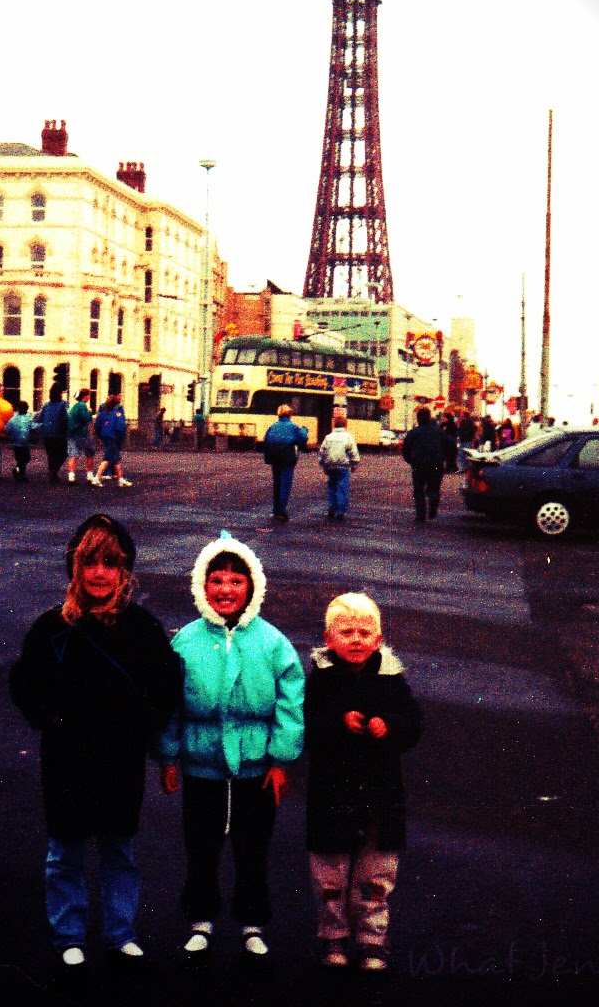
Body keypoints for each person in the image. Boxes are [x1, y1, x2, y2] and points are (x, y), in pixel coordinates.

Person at [9, 515, 182, 994]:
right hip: (67, 759)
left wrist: (141, 723)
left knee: (118, 848)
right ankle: (69, 935)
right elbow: (24, 682)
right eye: (90, 562)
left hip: (120, 759)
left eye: (111, 562)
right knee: (65, 849)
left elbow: (168, 681)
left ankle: (120, 934)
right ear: (75, 567)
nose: (100, 573)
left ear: (125, 571)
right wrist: (51, 717)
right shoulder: (53, 628)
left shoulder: (141, 627)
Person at [159, 532, 305, 964]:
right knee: (201, 847)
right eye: (217, 580)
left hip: (255, 770)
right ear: (201, 586)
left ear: (253, 586)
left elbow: (290, 702)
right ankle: (200, 920)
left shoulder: (272, 642)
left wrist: (280, 759)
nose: (226, 589)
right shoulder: (185, 641)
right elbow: (169, 704)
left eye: (236, 580)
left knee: (253, 849)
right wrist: (168, 755)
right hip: (201, 765)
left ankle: (252, 924)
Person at [304, 593, 422, 974]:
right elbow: (306, 726)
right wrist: (338, 723)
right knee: (331, 872)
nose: (356, 639)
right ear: (329, 639)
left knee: (376, 872)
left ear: (378, 638)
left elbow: (413, 723)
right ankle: (333, 936)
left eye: (364, 632)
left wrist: (391, 726)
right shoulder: (320, 680)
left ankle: (373, 939)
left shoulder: (392, 680)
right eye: (347, 632)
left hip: (380, 795)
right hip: (332, 794)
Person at [262, 404, 309, 522]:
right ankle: (282, 510)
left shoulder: (272, 427)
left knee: (277, 483)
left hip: (274, 458)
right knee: (285, 484)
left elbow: (266, 440)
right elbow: (302, 439)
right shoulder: (293, 427)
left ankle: (275, 509)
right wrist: (304, 429)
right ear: (290, 414)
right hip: (287, 458)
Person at [401, 406, 447, 523]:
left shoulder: (414, 432)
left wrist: (411, 460)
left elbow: (405, 449)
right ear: (429, 417)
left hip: (419, 464)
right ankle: (433, 502)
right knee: (434, 487)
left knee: (418, 490)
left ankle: (420, 514)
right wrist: (446, 459)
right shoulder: (438, 431)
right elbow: (450, 444)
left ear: (418, 419)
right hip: (436, 464)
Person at [317, 413, 361, 521]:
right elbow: (353, 452)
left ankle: (331, 509)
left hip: (330, 466)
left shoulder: (328, 437)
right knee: (342, 488)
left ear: (334, 424)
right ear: (345, 425)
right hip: (343, 467)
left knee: (332, 488)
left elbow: (322, 452)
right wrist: (354, 464)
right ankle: (340, 512)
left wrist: (323, 465)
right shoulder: (348, 437)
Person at [93, 395, 132, 488]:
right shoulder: (118, 414)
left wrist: (100, 435)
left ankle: (120, 479)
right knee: (107, 459)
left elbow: (97, 425)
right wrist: (121, 439)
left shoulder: (103, 413)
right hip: (114, 438)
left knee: (116, 459)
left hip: (105, 436)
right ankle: (97, 477)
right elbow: (120, 428)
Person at [34, 384, 69, 484]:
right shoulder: (64, 404)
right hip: (59, 432)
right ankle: (54, 471)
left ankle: (52, 473)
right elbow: (67, 417)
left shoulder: (46, 405)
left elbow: (39, 418)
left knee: (51, 454)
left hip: (46, 432)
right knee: (63, 453)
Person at [65, 388, 96, 484]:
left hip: (71, 433)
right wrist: (90, 413)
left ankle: (71, 477)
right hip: (81, 433)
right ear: (85, 396)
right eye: (88, 395)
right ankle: (90, 476)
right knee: (90, 453)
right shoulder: (82, 406)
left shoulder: (74, 406)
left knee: (73, 454)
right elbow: (86, 418)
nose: (89, 397)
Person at [5, 400, 34, 480]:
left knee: (19, 459)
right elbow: (32, 427)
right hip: (25, 442)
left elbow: (8, 428)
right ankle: (19, 471)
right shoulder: (29, 418)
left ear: (17, 409)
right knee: (26, 458)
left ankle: (20, 473)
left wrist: (10, 436)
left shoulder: (13, 419)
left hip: (16, 442)